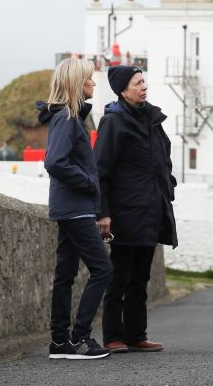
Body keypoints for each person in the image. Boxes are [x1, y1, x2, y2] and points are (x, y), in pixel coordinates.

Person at [94, 65, 178, 353]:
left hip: (151, 209)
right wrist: (102, 212)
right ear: (122, 90)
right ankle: (113, 337)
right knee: (119, 277)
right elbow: (100, 171)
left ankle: (136, 335)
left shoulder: (152, 118)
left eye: (144, 81)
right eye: (137, 82)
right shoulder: (113, 122)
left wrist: (169, 186)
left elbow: (162, 159)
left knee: (140, 278)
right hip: (125, 211)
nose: (144, 86)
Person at [36, 57, 113, 360]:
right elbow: (55, 162)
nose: (94, 83)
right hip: (75, 207)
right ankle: (79, 338)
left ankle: (59, 342)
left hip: (70, 206)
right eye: (89, 80)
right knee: (103, 269)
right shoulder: (67, 119)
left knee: (66, 274)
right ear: (76, 85)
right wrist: (88, 184)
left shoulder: (68, 118)